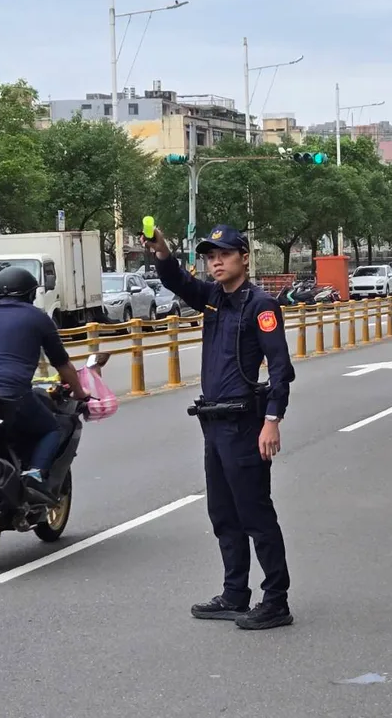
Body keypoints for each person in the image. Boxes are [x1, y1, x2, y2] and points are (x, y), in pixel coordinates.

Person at [147, 224, 297, 631]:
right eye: (210, 255)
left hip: (246, 423)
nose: (216, 261)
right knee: (223, 514)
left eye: (224, 254)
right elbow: (177, 280)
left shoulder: (260, 306)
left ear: (244, 257)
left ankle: (276, 600)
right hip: (213, 422)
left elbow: (281, 369)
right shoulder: (212, 299)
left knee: (255, 514)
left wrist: (272, 421)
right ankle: (235, 594)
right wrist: (161, 251)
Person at [0, 266, 89, 504]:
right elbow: (62, 363)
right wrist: (81, 392)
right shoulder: (38, 318)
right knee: (52, 429)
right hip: (10, 394)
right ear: (30, 294)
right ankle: (35, 475)